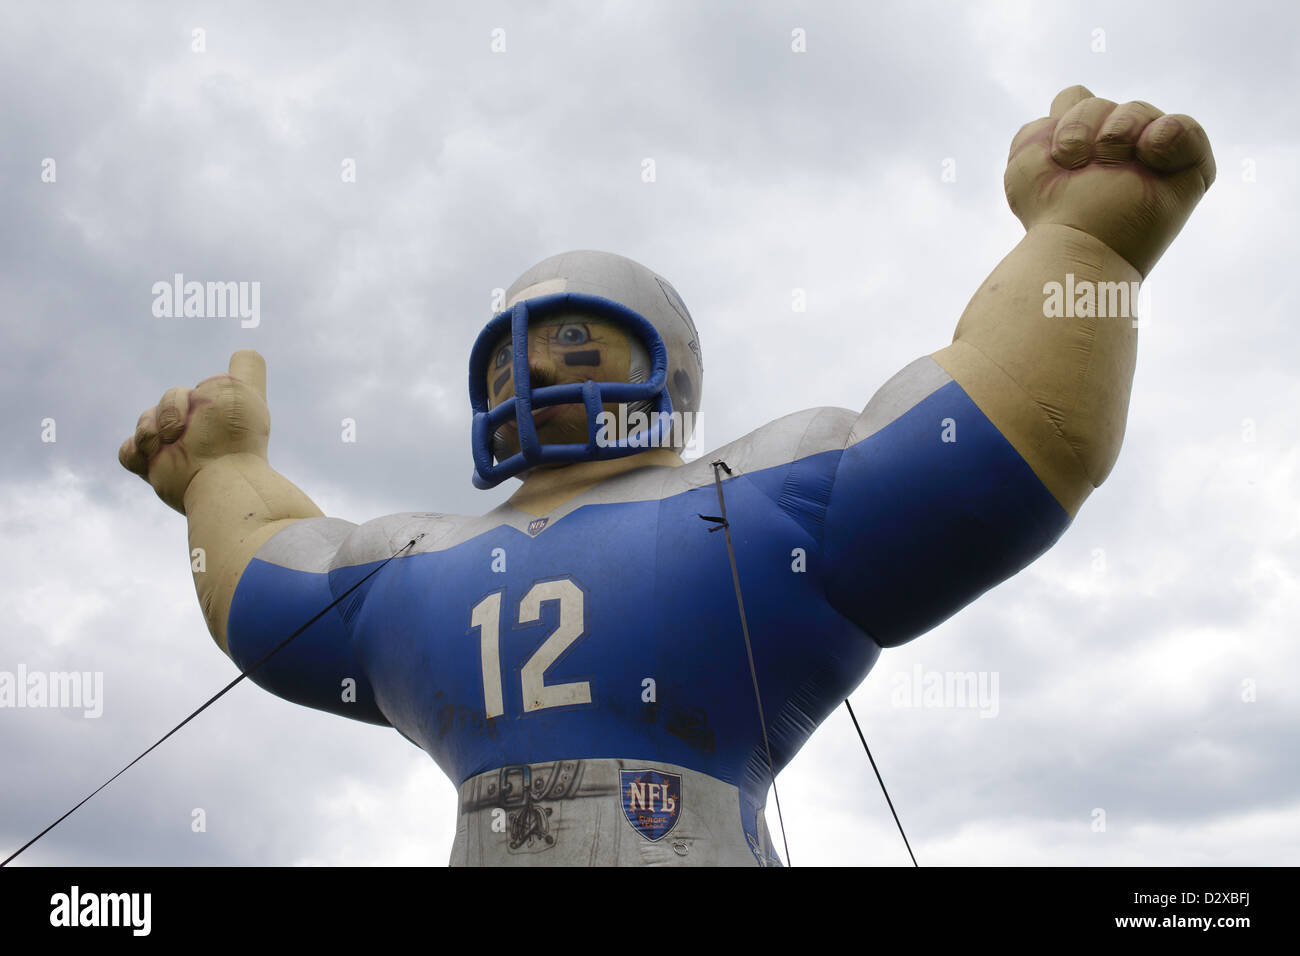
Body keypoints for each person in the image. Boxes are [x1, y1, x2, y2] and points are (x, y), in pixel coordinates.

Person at [119, 86, 1215, 865]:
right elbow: (268, 593)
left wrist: (1082, 245)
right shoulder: (419, 561)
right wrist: (223, 468)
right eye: (512, 352)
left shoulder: (745, 500)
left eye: (577, 345)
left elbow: (999, 440)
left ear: (663, 370)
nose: (535, 371)